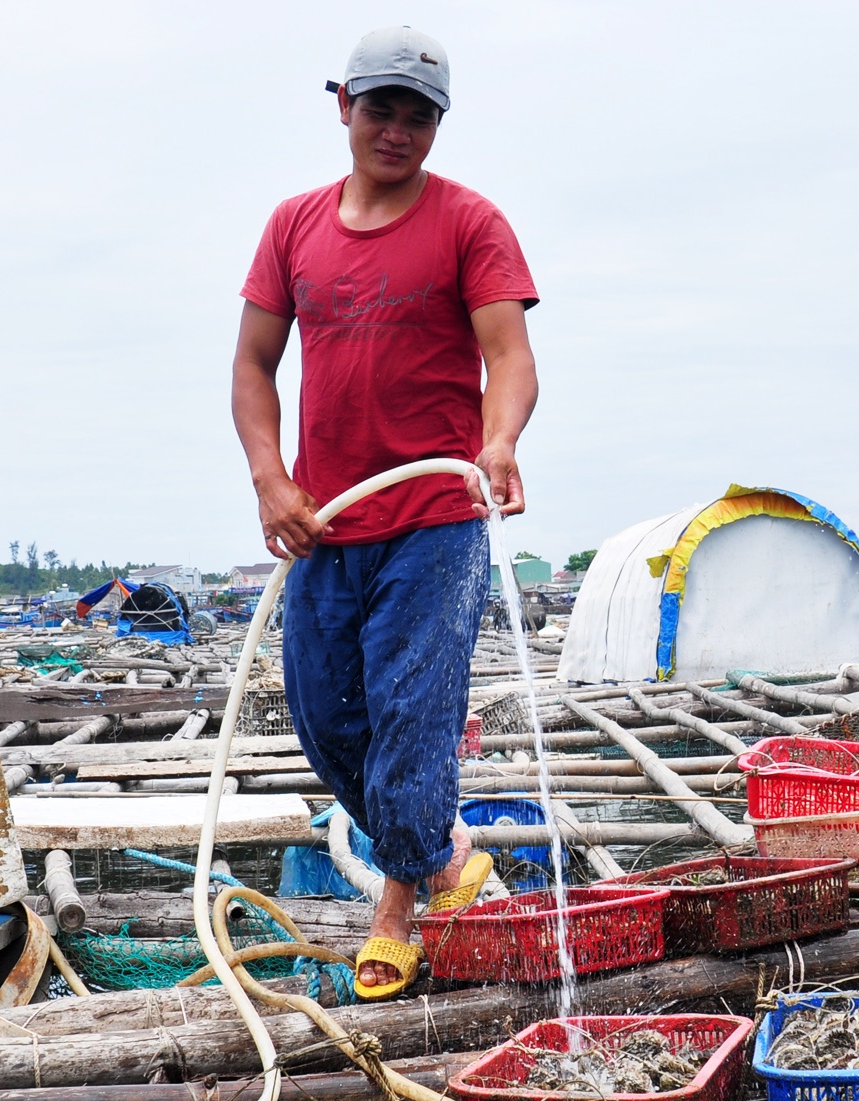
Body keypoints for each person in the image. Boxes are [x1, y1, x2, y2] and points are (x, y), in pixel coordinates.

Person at [232, 25, 538, 998]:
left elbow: (510, 357)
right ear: (343, 106)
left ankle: (396, 912)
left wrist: (499, 440)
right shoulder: (293, 227)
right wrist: (270, 478)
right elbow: (252, 366)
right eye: (380, 109)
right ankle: (445, 858)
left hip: (435, 519)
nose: (397, 131)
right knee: (326, 721)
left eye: (418, 116)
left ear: (437, 125)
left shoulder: (470, 222)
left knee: (411, 717)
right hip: (324, 524)